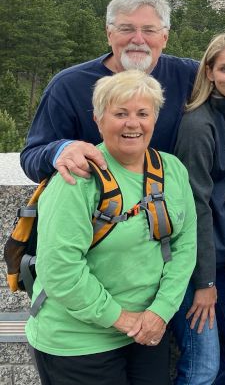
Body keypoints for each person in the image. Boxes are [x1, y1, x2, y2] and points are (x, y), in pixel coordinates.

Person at [26, 70, 197, 385]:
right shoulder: (76, 180)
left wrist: (160, 311)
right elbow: (60, 269)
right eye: (120, 113)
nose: (133, 123)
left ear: (155, 119)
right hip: (77, 341)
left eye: (143, 113)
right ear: (98, 119)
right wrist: (123, 320)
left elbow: (184, 246)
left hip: (145, 334)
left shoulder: (171, 169)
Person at [20, 0, 198, 184]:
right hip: (97, 209)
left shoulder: (190, 76)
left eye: (149, 30)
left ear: (164, 37)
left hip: (170, 206)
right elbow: (31, 157)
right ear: (109, 34)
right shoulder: (68, 86)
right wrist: (60, 150)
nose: (138, 39)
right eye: (126, 29)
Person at [172, 31, 225, 385]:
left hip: (218, 260)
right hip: (194, 266)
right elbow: (196, 207)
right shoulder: (199, 125)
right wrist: (204, 281)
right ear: (209, 72)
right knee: (205, 365)